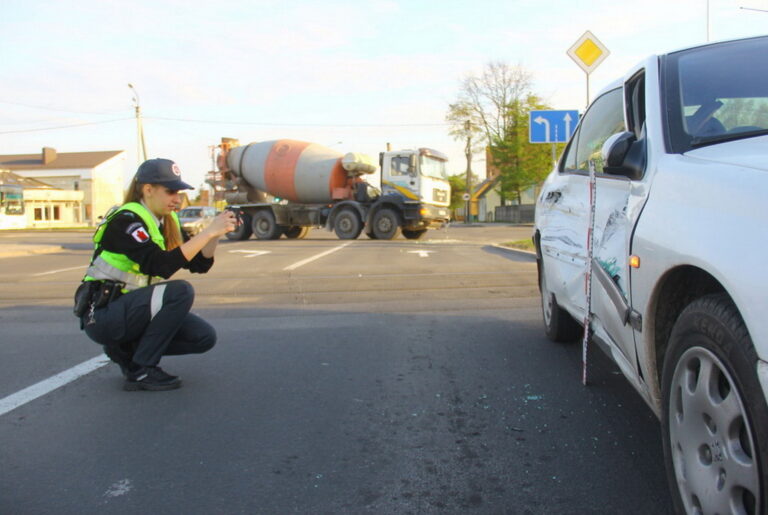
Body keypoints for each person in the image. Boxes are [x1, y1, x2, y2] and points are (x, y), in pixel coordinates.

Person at [77, 158, 236, 391]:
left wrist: (216, 233)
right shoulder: (126, 220)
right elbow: (159, 266)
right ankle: (142, 371)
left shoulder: (166, 220)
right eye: (171, 191)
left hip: (130, 311)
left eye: (179, 192)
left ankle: (127, 351)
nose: (177, 198)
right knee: (179, 291)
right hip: (103, 315)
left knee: (203, 337)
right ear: (148, 189)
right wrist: (209, 231)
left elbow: (200, 264)